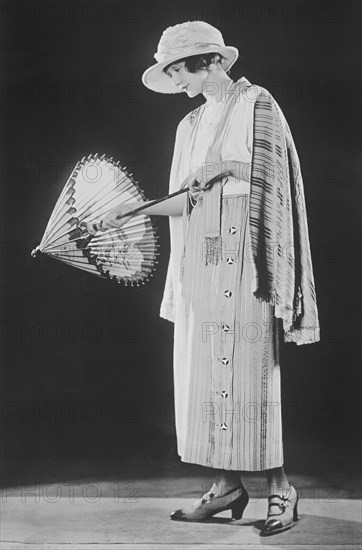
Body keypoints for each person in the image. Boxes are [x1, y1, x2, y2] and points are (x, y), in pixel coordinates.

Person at [97, 21, 320, 536]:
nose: (176, 79)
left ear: (211, 61)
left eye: (180, 68)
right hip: (201, 249)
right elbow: (186, 198)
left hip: (247, 249)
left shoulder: (258, 104)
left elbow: (276, 178)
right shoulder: (189, 126)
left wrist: (224, 166)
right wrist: (135, 209)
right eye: (171, 70)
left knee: (248, 370)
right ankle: (227, 486)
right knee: (204, 374)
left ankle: (281, 488)